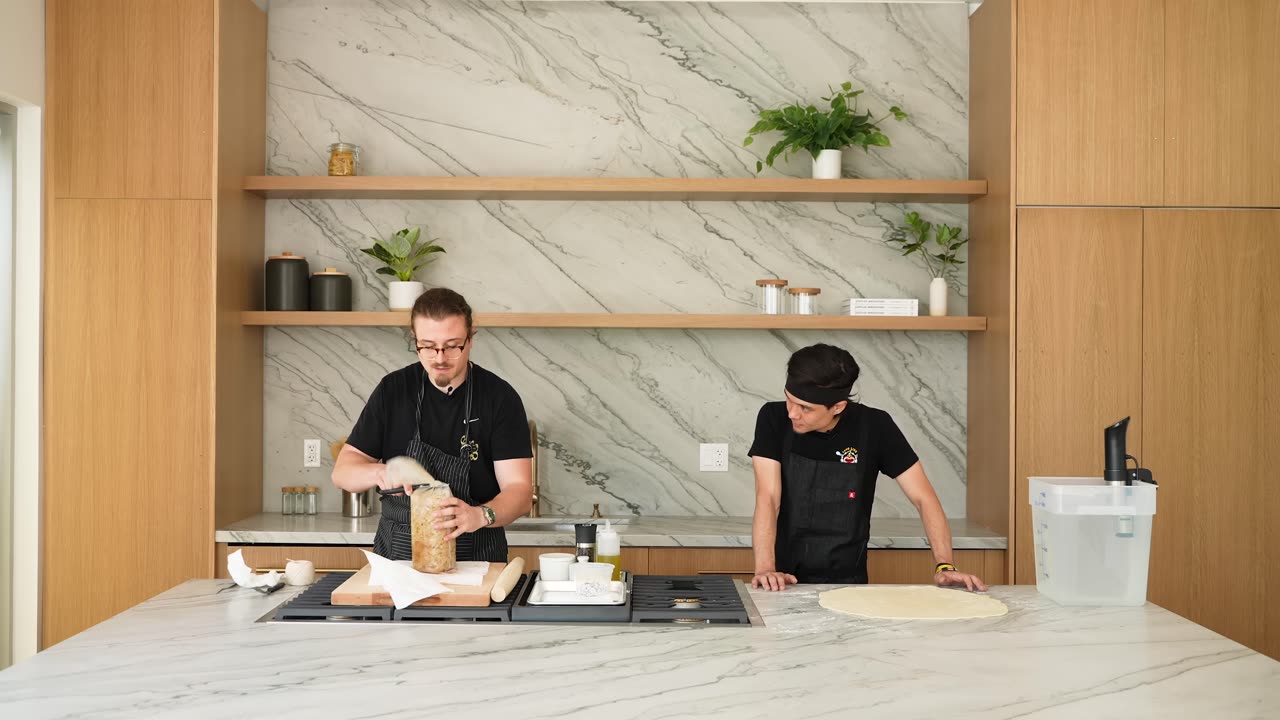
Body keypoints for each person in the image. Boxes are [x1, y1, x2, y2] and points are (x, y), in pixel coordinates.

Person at [748, 343, 986, 592]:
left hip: (849, 585)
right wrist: (765, 568)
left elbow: (924, 497)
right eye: (790, 400)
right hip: (782, 581)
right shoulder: (772, 418)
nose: (792, 414)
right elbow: (768, 497)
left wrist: (944, 566)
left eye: (805, 408)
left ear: (838, 406)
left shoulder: (875, 426)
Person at [332, 288, 533, 561]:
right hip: (398, 563)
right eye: (428, 346)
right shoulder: (393, 390)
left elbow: (520, 491)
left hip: (476, 560)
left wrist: (480, 514)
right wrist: (380, 473)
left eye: (452, 346)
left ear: (471, 338)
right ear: (415, 339)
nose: (439, 358)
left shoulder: (499, 398)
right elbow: (343, 472)